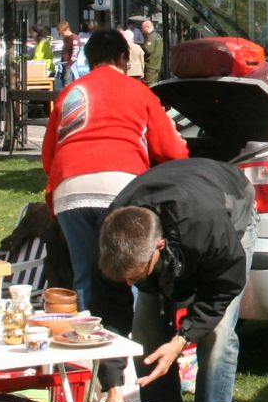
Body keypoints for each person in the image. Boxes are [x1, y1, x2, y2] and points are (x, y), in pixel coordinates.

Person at [93, 157, 256, 402]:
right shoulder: (112, 239)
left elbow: (224, 286)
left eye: (135, 277)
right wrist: (113, 389)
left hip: (229, 210)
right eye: (125, 280)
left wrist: (182, 338)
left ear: (159, 247)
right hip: (174, 222)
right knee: (146, 334)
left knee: (218, 337)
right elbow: (110, 319)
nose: (129, 285)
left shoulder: (206, 226)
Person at [42, 27, 189, 314]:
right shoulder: (139, 92)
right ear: (123, 57)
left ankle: (87, 332)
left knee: (84, 271)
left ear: (88, 58)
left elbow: (49, 156)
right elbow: (170, 151)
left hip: (69, 187)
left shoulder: (71, 92)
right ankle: (130, 335)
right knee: (128, 267)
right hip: (120, 185)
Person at [138, 17, 164, 84]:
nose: (141, 30)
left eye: (142, 28)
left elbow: (148, 50)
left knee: (149, 86)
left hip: (150, 67)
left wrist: (139, 48)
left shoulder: (151, 37)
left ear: (147, 27)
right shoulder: (157, 35)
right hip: (156, 65)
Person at [54, 20, 77, 87]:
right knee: (64, 85)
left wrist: (69, 65)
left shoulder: (74, 38)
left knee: (68, 86)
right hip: (64, 65)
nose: (61, 35)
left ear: (67, 29)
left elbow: (75, 54)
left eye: (62, 33)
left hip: (70, 66)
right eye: (60, 33)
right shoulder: (66, 39)